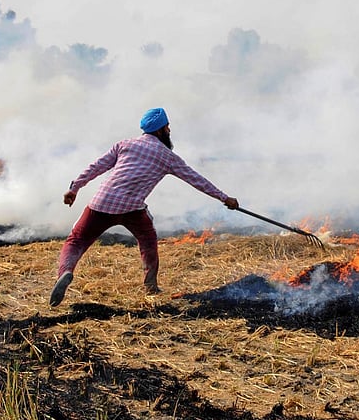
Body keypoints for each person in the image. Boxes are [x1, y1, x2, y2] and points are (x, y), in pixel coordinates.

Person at [50, 107, 238, 307]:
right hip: (132, 208)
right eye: (167, 127)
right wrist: (224, 198)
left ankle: (66, 272)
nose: (169, 131)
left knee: (76, 241)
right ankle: (150, 286)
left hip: (101, 203)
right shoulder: (168, 157)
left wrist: (75, 188)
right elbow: (196, 180)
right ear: (159, 130)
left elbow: (96, 166)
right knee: (148, 241)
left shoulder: (124, 145)